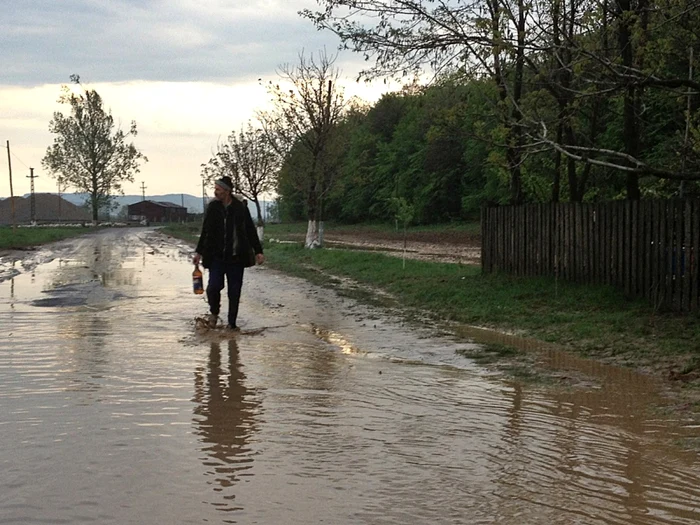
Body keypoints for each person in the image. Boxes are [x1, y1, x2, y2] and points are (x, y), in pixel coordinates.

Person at [193, 176, 264, 330]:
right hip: (216, 258)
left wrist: (258, 251)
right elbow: (205, 231)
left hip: (236, 258)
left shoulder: (240, 208)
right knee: (213, 287)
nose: (215, 192)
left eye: (218, 189)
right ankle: (214, 313)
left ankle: (232, 324)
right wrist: (199, 253)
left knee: (234, 291)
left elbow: (250, 230)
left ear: (226, 191)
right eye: (215, 189)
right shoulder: (213, 208)